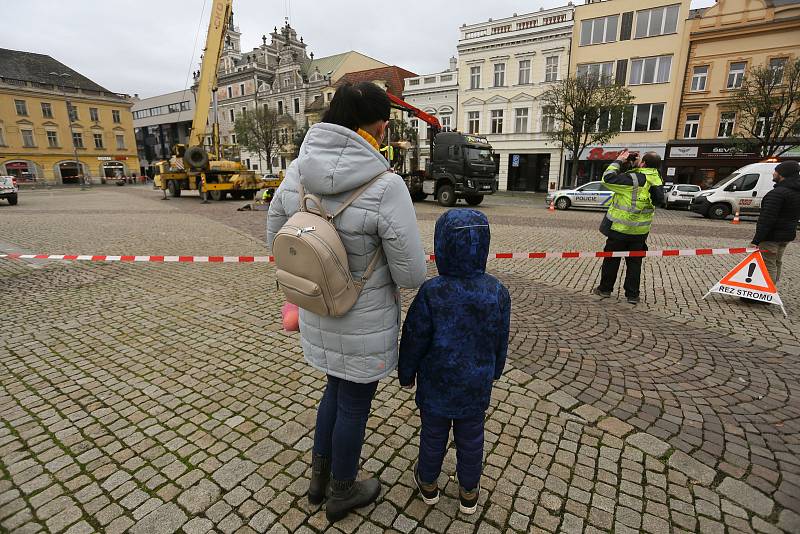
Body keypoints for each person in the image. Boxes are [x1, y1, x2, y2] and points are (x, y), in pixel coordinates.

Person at [266, 82, 427, 522]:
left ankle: (317, 480)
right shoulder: (385, 184)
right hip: (363, 318)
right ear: (377, 125)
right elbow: (411, 274)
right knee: (353, 400)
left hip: (317, 306)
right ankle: (341, 489)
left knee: (333, 390)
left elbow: (274, 236)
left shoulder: (299, 169)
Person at [398, 209, 511, 516]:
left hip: (437, 383)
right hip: (476, 383)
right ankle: (469, 491)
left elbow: (414, 336)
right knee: (472, 438)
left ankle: (429, 484)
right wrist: (495, 370)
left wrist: (406, 373)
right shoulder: (497, 292)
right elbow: (501, 337)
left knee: (433, 435)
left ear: (442, 244)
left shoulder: (433, 292)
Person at [592, 150, 665, 304]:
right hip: (640, 232)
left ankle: (605, 289)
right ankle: (632, 295)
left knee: (611, 261)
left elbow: (607, 179)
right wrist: (633, 164)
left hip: (620, 229)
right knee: (634, 264)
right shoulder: (657, 179)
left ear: (644, 163)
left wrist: (619, 160)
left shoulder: (634, 179)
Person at [751, 160, 800, 287]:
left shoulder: (777, 193)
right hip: (786, 236)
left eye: (776, 171)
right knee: (777, 262)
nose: (773, 174)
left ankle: (767, 293)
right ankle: (771, 289)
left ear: (782, 174)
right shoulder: (796, 192)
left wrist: (756, 240)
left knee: (768, 264)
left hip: (772, 237)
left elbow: (767, 219)